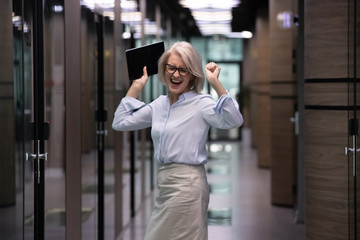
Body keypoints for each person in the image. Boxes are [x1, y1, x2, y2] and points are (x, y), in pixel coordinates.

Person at [112, 41, 243, 240]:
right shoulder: (159, 105)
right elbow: (120, 122)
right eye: (171, 67)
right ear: (164, 69)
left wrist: (215, 82)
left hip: (188, 185)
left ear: (193, 75)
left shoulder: (201, 103)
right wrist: (137, 86)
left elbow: (234, 120)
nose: (175, 74)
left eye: (183, 70)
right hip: (165, 185)